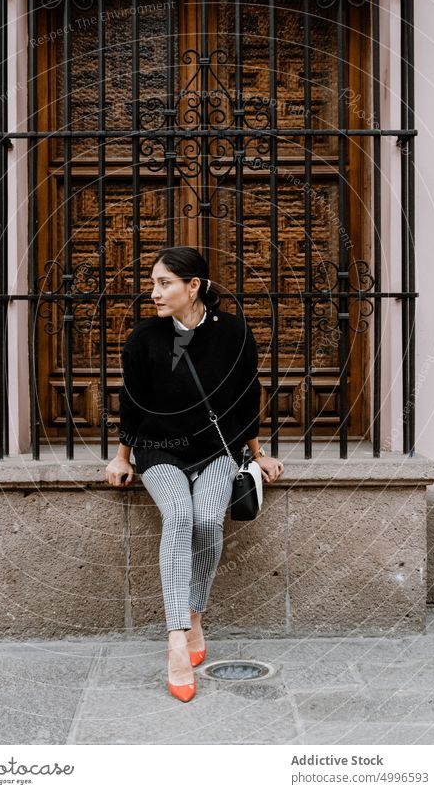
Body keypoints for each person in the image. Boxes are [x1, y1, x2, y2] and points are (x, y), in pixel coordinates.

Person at [105, 246, 284, 701]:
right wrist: (123, 456)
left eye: (164, 283)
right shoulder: (146, 337)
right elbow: (132, 400)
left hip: (216, 452)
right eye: (153, 283)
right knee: (180, 518)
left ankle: (196, 614)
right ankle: (176, 639)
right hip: (160, 450)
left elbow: (247, 397)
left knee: (207, 519)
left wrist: (257, 453)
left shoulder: (234, 334)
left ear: (194, 286)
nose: (154, 293)